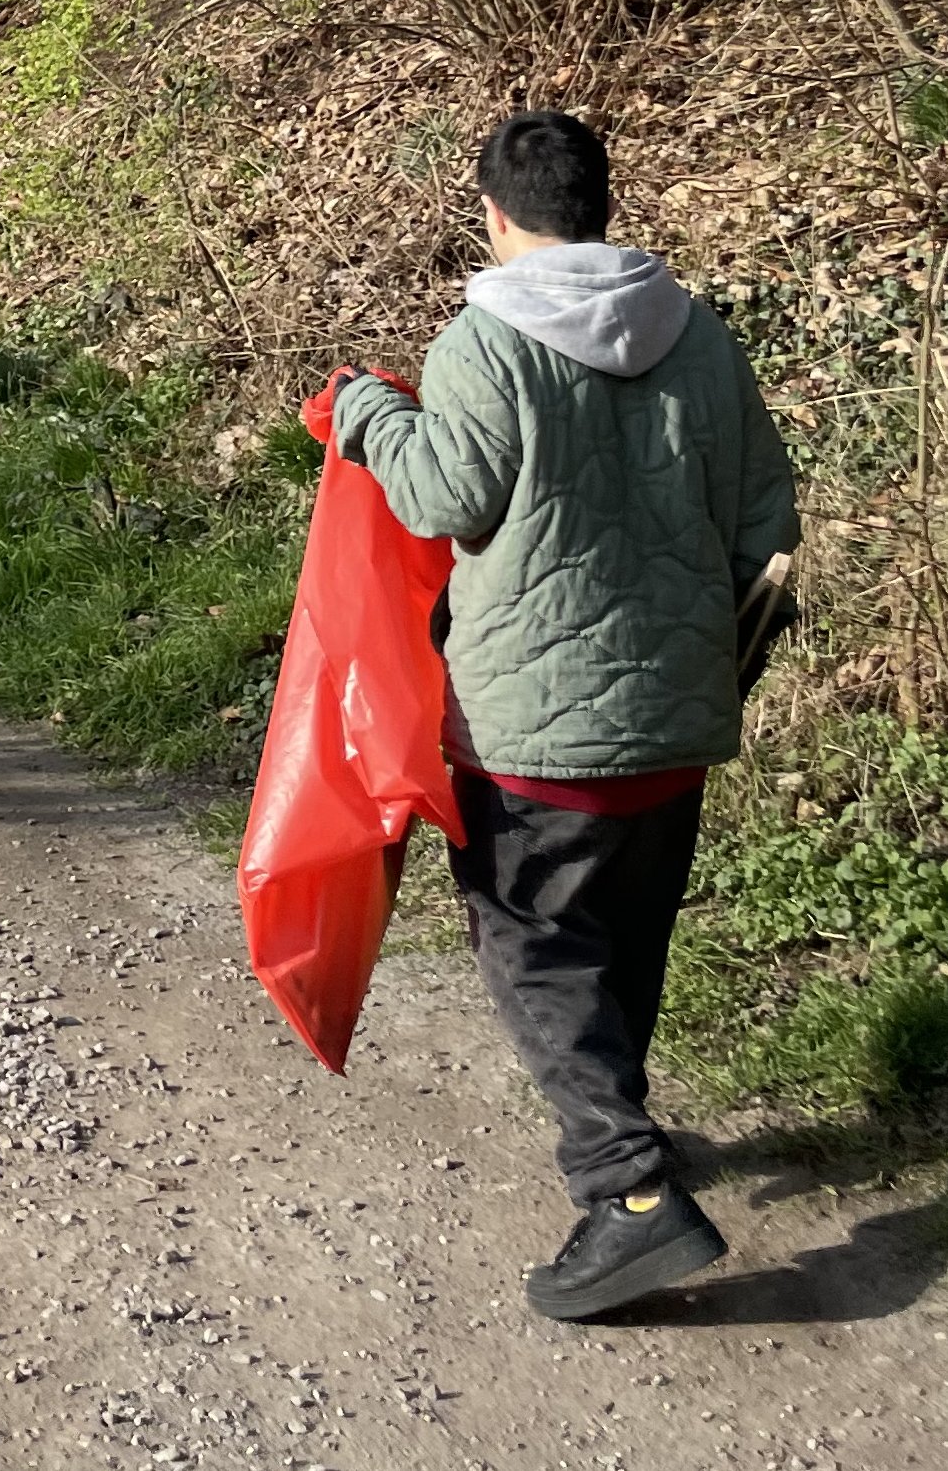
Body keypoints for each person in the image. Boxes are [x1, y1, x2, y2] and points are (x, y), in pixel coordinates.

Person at [330, 109, 798, 1322]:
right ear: (603, 202)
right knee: (623, 938)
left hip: (533, 730)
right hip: (680, 716)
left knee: (533, 948)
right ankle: (626, 1131)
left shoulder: (482, 343)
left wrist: (368, 414)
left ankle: (626, 1192)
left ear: (493, 212)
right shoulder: (704, 340)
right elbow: (765, 532)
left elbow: (439, 497)